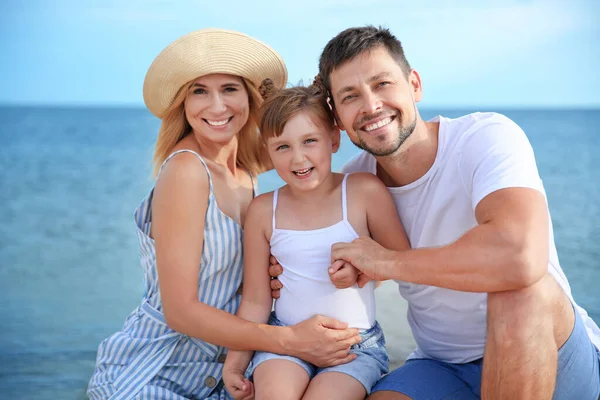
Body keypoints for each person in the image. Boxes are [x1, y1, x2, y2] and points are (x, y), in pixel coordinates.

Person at [269, 26, 600, 400]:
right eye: (350, 96)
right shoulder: (353, 185)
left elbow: (519, 258)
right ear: (337, 118)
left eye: (382, 84)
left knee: (520, 292)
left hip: (553, 356)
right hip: (441, 365)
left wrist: (389, 262)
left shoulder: (484, 138)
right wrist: (286, 272)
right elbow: (342, 263)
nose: (371, 105)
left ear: (414, 85)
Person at [87, 28, 362, 400]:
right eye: (199, 91)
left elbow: (314, 136)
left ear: (249, 97)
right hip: (158, 368)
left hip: (221, 372)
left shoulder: (243, 167)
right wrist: (291, 340)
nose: (217, 107)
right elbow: (180, 313)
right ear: (182, 104)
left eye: (229, 89)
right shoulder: (186, 171)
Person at [222, 80, 410, 400]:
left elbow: (401, 260)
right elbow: (256, 299)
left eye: (310, 141)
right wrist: (235, 363)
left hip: (353, 346)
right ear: (267, 150)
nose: (298, 159)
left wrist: (362, 269)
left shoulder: (364, 192)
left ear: (333, 139)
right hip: (284, 341)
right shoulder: (263, 210)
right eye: (283, 146)